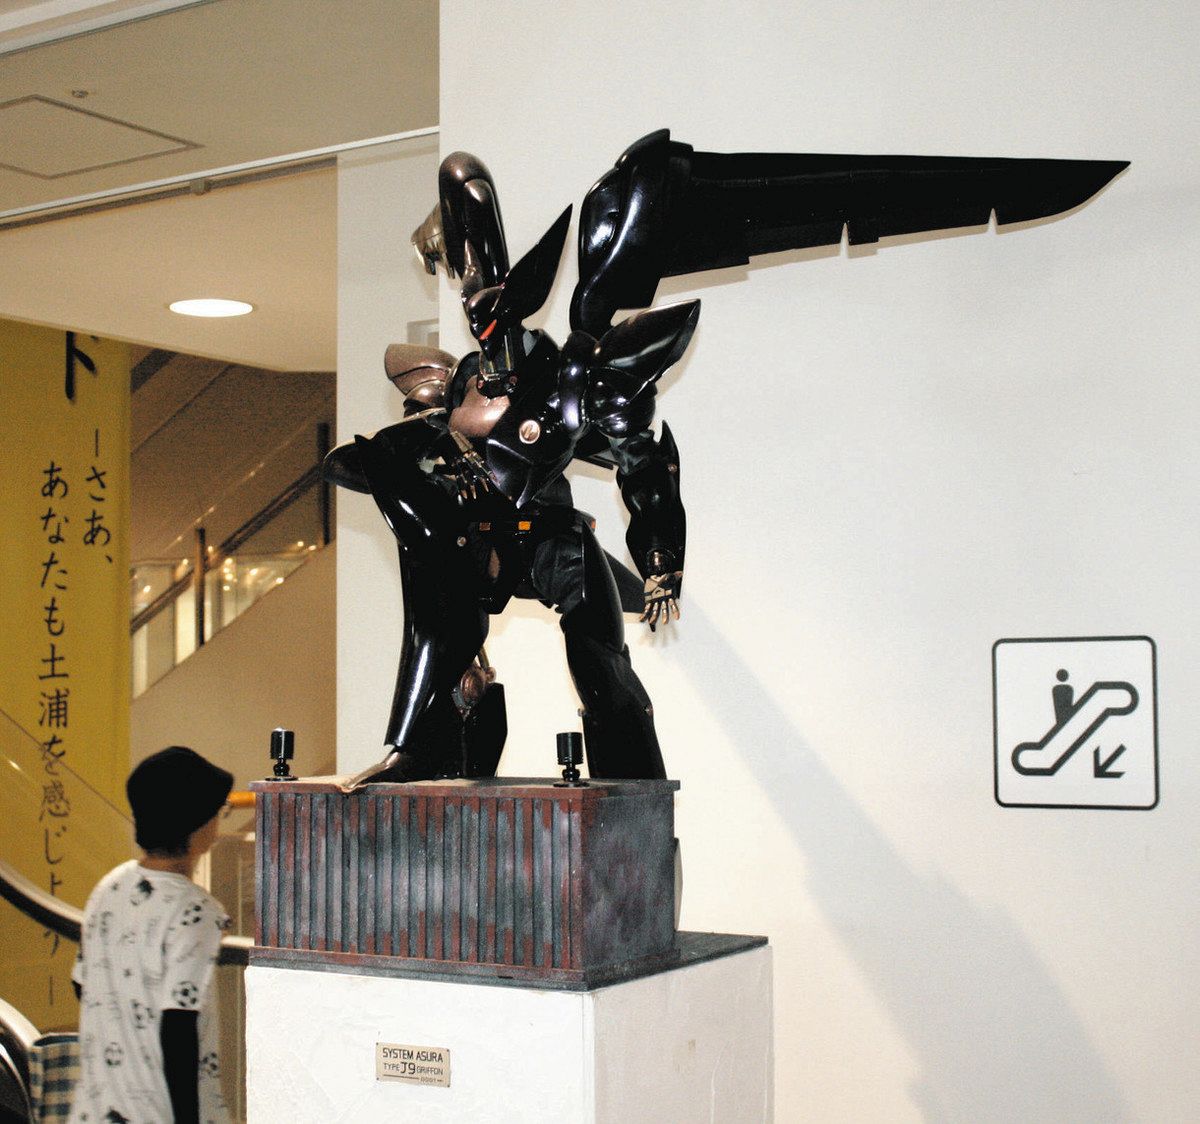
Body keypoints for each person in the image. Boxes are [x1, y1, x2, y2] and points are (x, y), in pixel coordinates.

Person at [69, 747, 233, 1124]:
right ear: (196, 824)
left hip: (98, 1105)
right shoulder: (197, 910)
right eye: (218, 811)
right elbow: (179, 1028)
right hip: (157, 1112)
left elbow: (82, 982)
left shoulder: (110, 885)